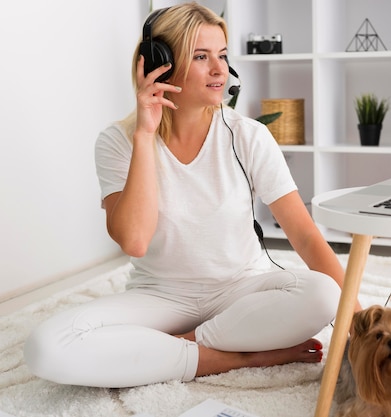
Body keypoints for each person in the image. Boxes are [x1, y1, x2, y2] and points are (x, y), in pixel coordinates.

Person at [24, 3, 348, 388]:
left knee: (324, 293)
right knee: (46, 347)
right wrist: (145, 134)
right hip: (161, 297)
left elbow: (306, 236)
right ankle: (237, 356)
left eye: (223, 56)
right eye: (201, 56)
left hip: (239, 291)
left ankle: (179, 349)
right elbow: (134, 240)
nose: (219, 70)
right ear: (159, 64)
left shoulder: (247, 135)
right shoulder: (118, 142)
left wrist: (358, 327)